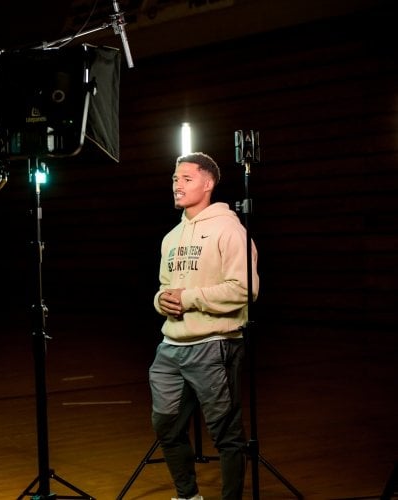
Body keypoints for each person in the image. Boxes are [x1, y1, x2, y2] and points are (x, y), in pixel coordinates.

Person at [149, 152, 259, 500]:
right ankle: (187, 496)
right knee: (166, 427)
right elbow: (166, 287)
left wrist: (189, 298)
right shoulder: (170, 237)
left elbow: (245, 288)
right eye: (174, 179)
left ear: (208, 183)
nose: (177, 185)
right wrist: (160, 300)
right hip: (171, 348)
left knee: (226, 434)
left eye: (186, 179)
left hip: (214, 344)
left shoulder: (229, 229)